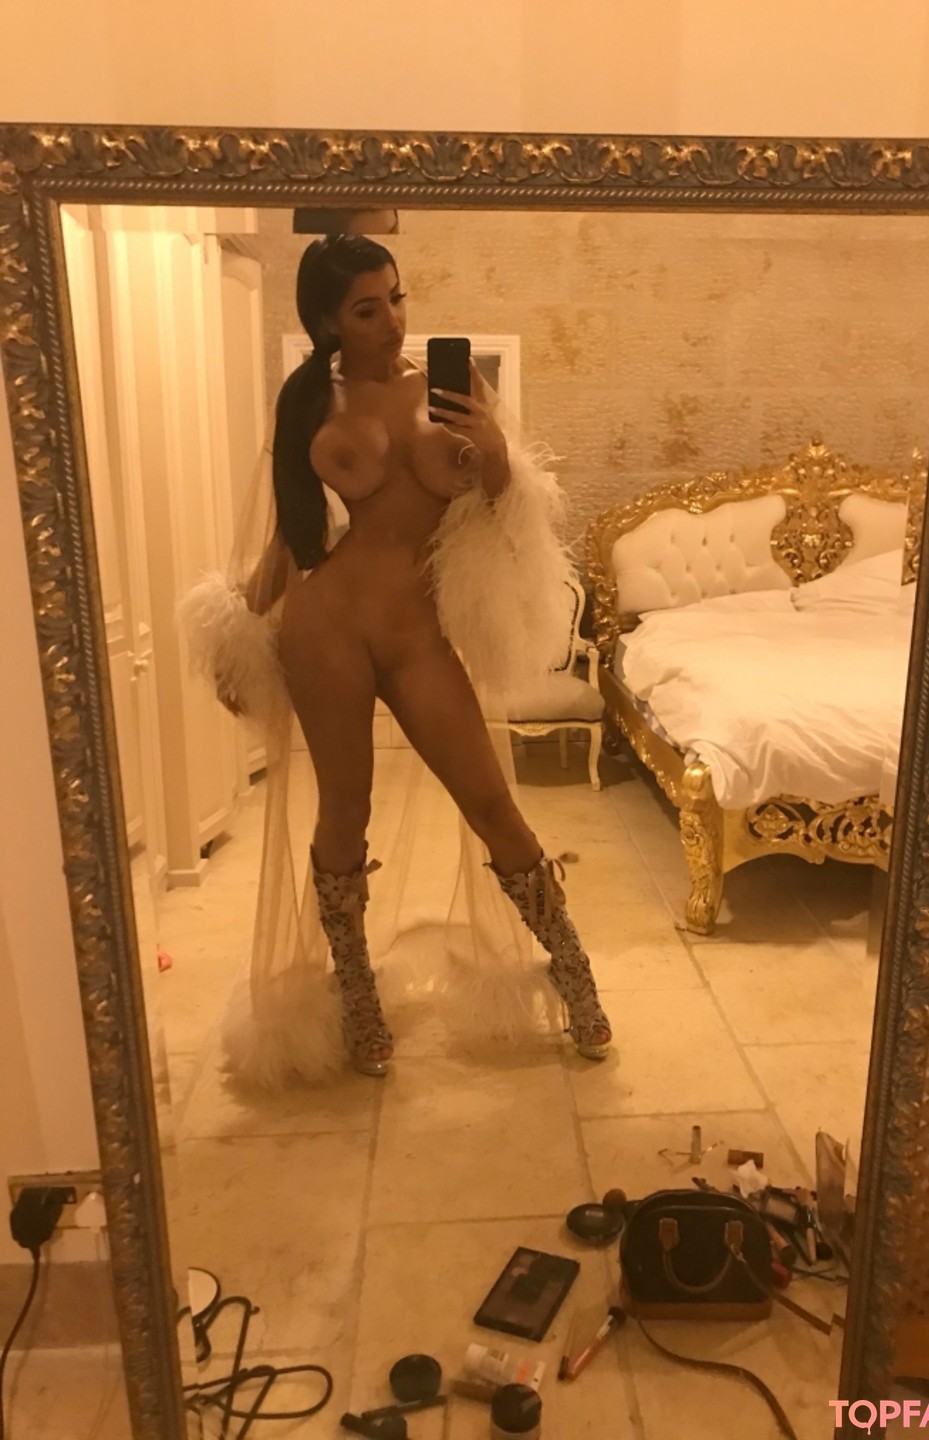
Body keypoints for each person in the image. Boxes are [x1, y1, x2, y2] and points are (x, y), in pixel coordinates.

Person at [184, 235, 611, 1082]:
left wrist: (492, 447)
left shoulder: (449, 386)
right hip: (325, 629)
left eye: (397, 298)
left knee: (492, 801)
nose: (392, 321)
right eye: (366, 309)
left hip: (417, 634)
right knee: (346, 810)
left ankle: (574, 974)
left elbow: (510, 510)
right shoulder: (310, 399)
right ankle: (357, 996)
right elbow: (293, 533)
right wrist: (241, 630)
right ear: (329, 323)